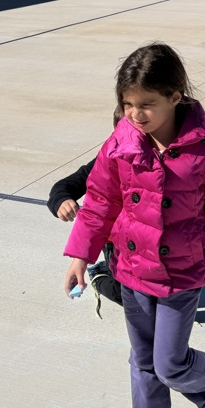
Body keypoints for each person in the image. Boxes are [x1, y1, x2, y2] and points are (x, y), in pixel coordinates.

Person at [63, 43, 205, 408]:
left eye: (146, 104)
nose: (135, 114)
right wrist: (79, 253)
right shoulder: (120, 144)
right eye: (127, 104)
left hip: (183, 275)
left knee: (169, 363)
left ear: (175, 96)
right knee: (142, 360)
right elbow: (101, 202)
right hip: (131, 271)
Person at [48, 110, 123, 316]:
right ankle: (99, 274)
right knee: (126, 295)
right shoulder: (107, 161)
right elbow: (64, 186)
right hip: (116, 241)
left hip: (151, 240)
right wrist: (61, 201)